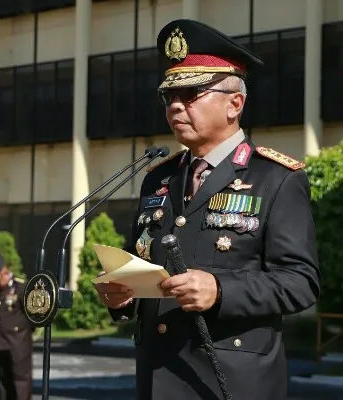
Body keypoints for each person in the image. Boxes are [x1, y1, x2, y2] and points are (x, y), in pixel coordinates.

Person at [94, 19, 321, 400]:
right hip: (159, 376)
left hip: (229, 381)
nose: (177, 106)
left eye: (192, 93)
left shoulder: (275, 178)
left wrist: (220, 289)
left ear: (235, 103)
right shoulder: (159, 178)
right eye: (170, 97)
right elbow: (143, 263)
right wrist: (122, 297)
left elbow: (301, 281)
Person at [0, 255, 32, 400]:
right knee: (4, 382)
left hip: (18, 344)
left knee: (21, 382)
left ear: (4, 273)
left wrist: (25, 332)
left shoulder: (21, 288)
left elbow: (33, 316)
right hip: (1, 343)